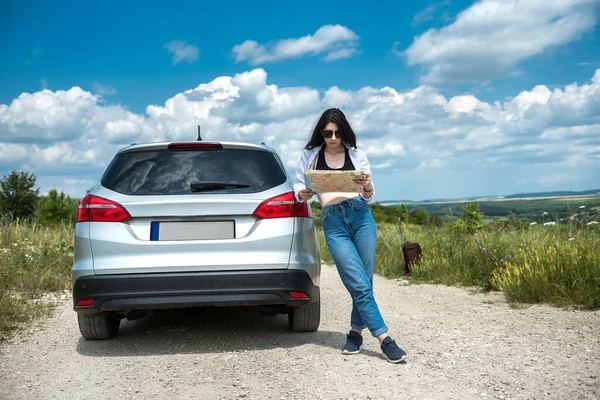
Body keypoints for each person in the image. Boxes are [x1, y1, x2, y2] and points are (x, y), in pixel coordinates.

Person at [293, 108, 408, 364]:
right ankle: (385, 339)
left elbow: (369, 194)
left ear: (344, 132)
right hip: (333, 221)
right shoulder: (310, 155)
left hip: (360, 216)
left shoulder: (357, 155)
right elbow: (298, 184)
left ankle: (355, 333)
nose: (333, 138)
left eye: (337, 132)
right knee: (357, 281)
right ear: (320, 132)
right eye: (327, 133)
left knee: (365, 280)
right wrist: (302, 193)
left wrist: (367, 186)